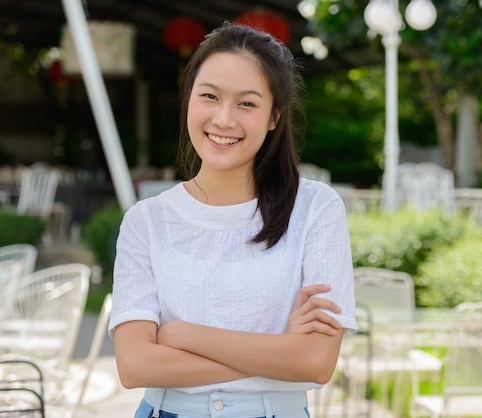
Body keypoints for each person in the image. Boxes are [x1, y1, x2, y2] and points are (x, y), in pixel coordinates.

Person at [108, 22, 356, 418]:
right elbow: (136, 365)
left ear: (274, 116)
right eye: (210, 96)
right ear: (189, 99)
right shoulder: (146, 221)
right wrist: (278, 350)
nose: (224, 119)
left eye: (247, 103)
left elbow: (315, 363)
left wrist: (181, 336)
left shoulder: (316, 209)